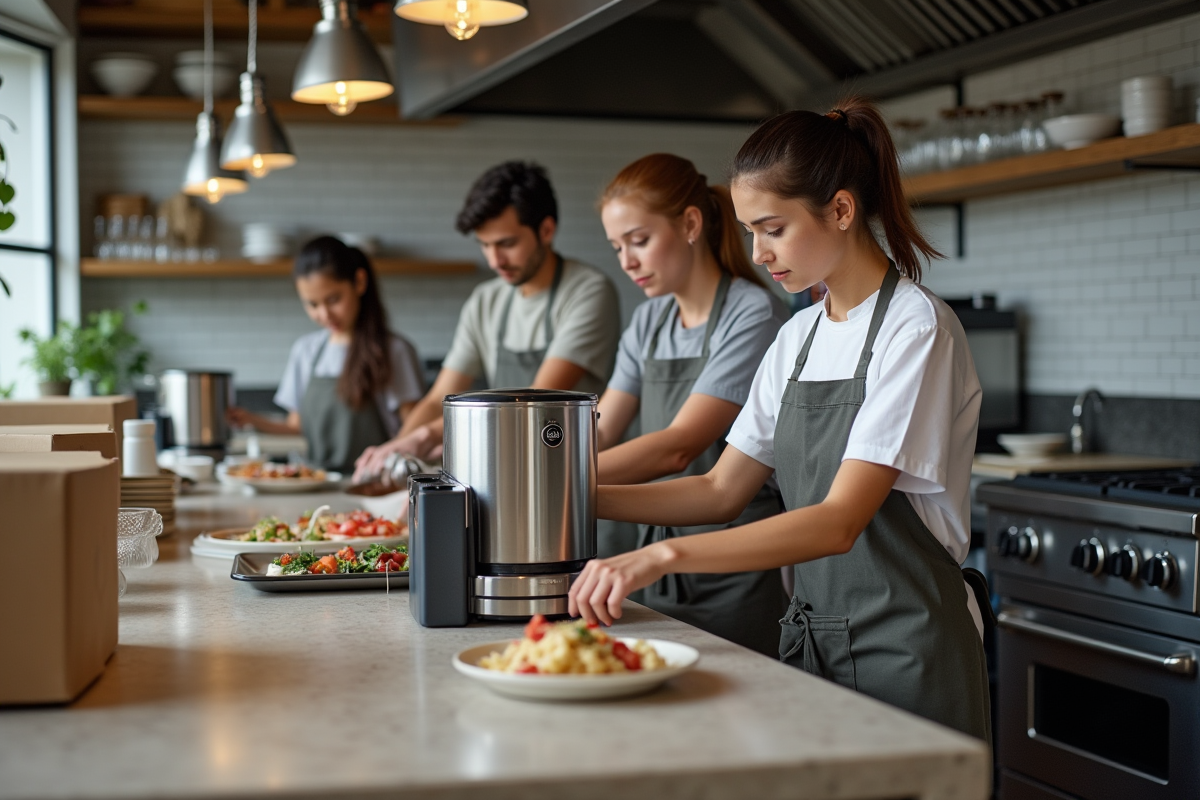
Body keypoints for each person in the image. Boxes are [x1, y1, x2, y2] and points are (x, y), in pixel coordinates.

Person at [568, 98, 991, 742]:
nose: (760, 253)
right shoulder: (798, 337)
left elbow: (839, 520)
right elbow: (720, 490)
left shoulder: (917, 328)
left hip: (908, 652)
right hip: (814, 645)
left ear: (842, 210)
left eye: (773, 228)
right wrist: (573, 499)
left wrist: (659, 554)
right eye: (749, 232)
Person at [594, 153, 791, 656]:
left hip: (732, 566)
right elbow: (599, 430)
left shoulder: (752, 313)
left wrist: (550, 483)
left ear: (689, 223)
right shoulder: (648, 322)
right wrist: (537, 463)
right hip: (653, 561)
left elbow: (678, 448)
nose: (627, 261)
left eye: (639, 241)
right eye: (617, 247)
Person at [355, 161, 620, 478]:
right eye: (485, 245)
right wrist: (394, 454)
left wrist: (425, 436)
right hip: (506, 471)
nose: (495, 260)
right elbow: (438, 398)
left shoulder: (588, 291)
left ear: (546, 230)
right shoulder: (486, 300)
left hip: (574, 478)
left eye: (507, 244)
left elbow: (532, 402)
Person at [227, 236, 425, 474]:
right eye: (312, 304)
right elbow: (296, 425)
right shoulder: (306, 351)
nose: (325, 314)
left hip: (371, 485)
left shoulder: (394, 351)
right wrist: (251, 420)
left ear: (360, 282)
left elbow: (413, 430)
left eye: (333, 299)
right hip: (315, 482)